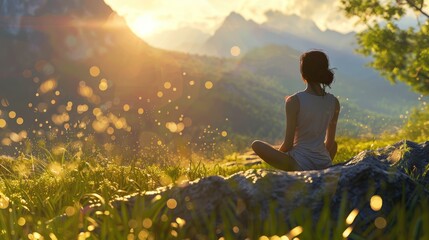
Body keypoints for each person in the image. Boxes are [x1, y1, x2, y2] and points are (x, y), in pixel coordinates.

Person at [252, 50, 340, 171]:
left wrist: (279, 157)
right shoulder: (334, 102)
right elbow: (330, 144)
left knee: (256, 145)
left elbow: (288, 145)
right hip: (324, 162)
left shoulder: (294, 101)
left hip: (299, 164)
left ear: (304, 73)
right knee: (334, 144)